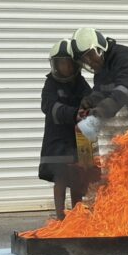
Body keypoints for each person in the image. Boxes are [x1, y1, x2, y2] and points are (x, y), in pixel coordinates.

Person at [38, 39, 94, 220]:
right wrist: (72, 113)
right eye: (62, 63)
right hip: (58, 140)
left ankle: (77, 217)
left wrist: (88, 109)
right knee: (60, 177)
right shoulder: (51, 84)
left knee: (78, 178)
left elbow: (90, 101)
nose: (66, 67)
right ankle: (61, 218)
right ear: (55, 65)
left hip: (78, 139)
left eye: (69, 63)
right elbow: (48, 106)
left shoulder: (80, 83)